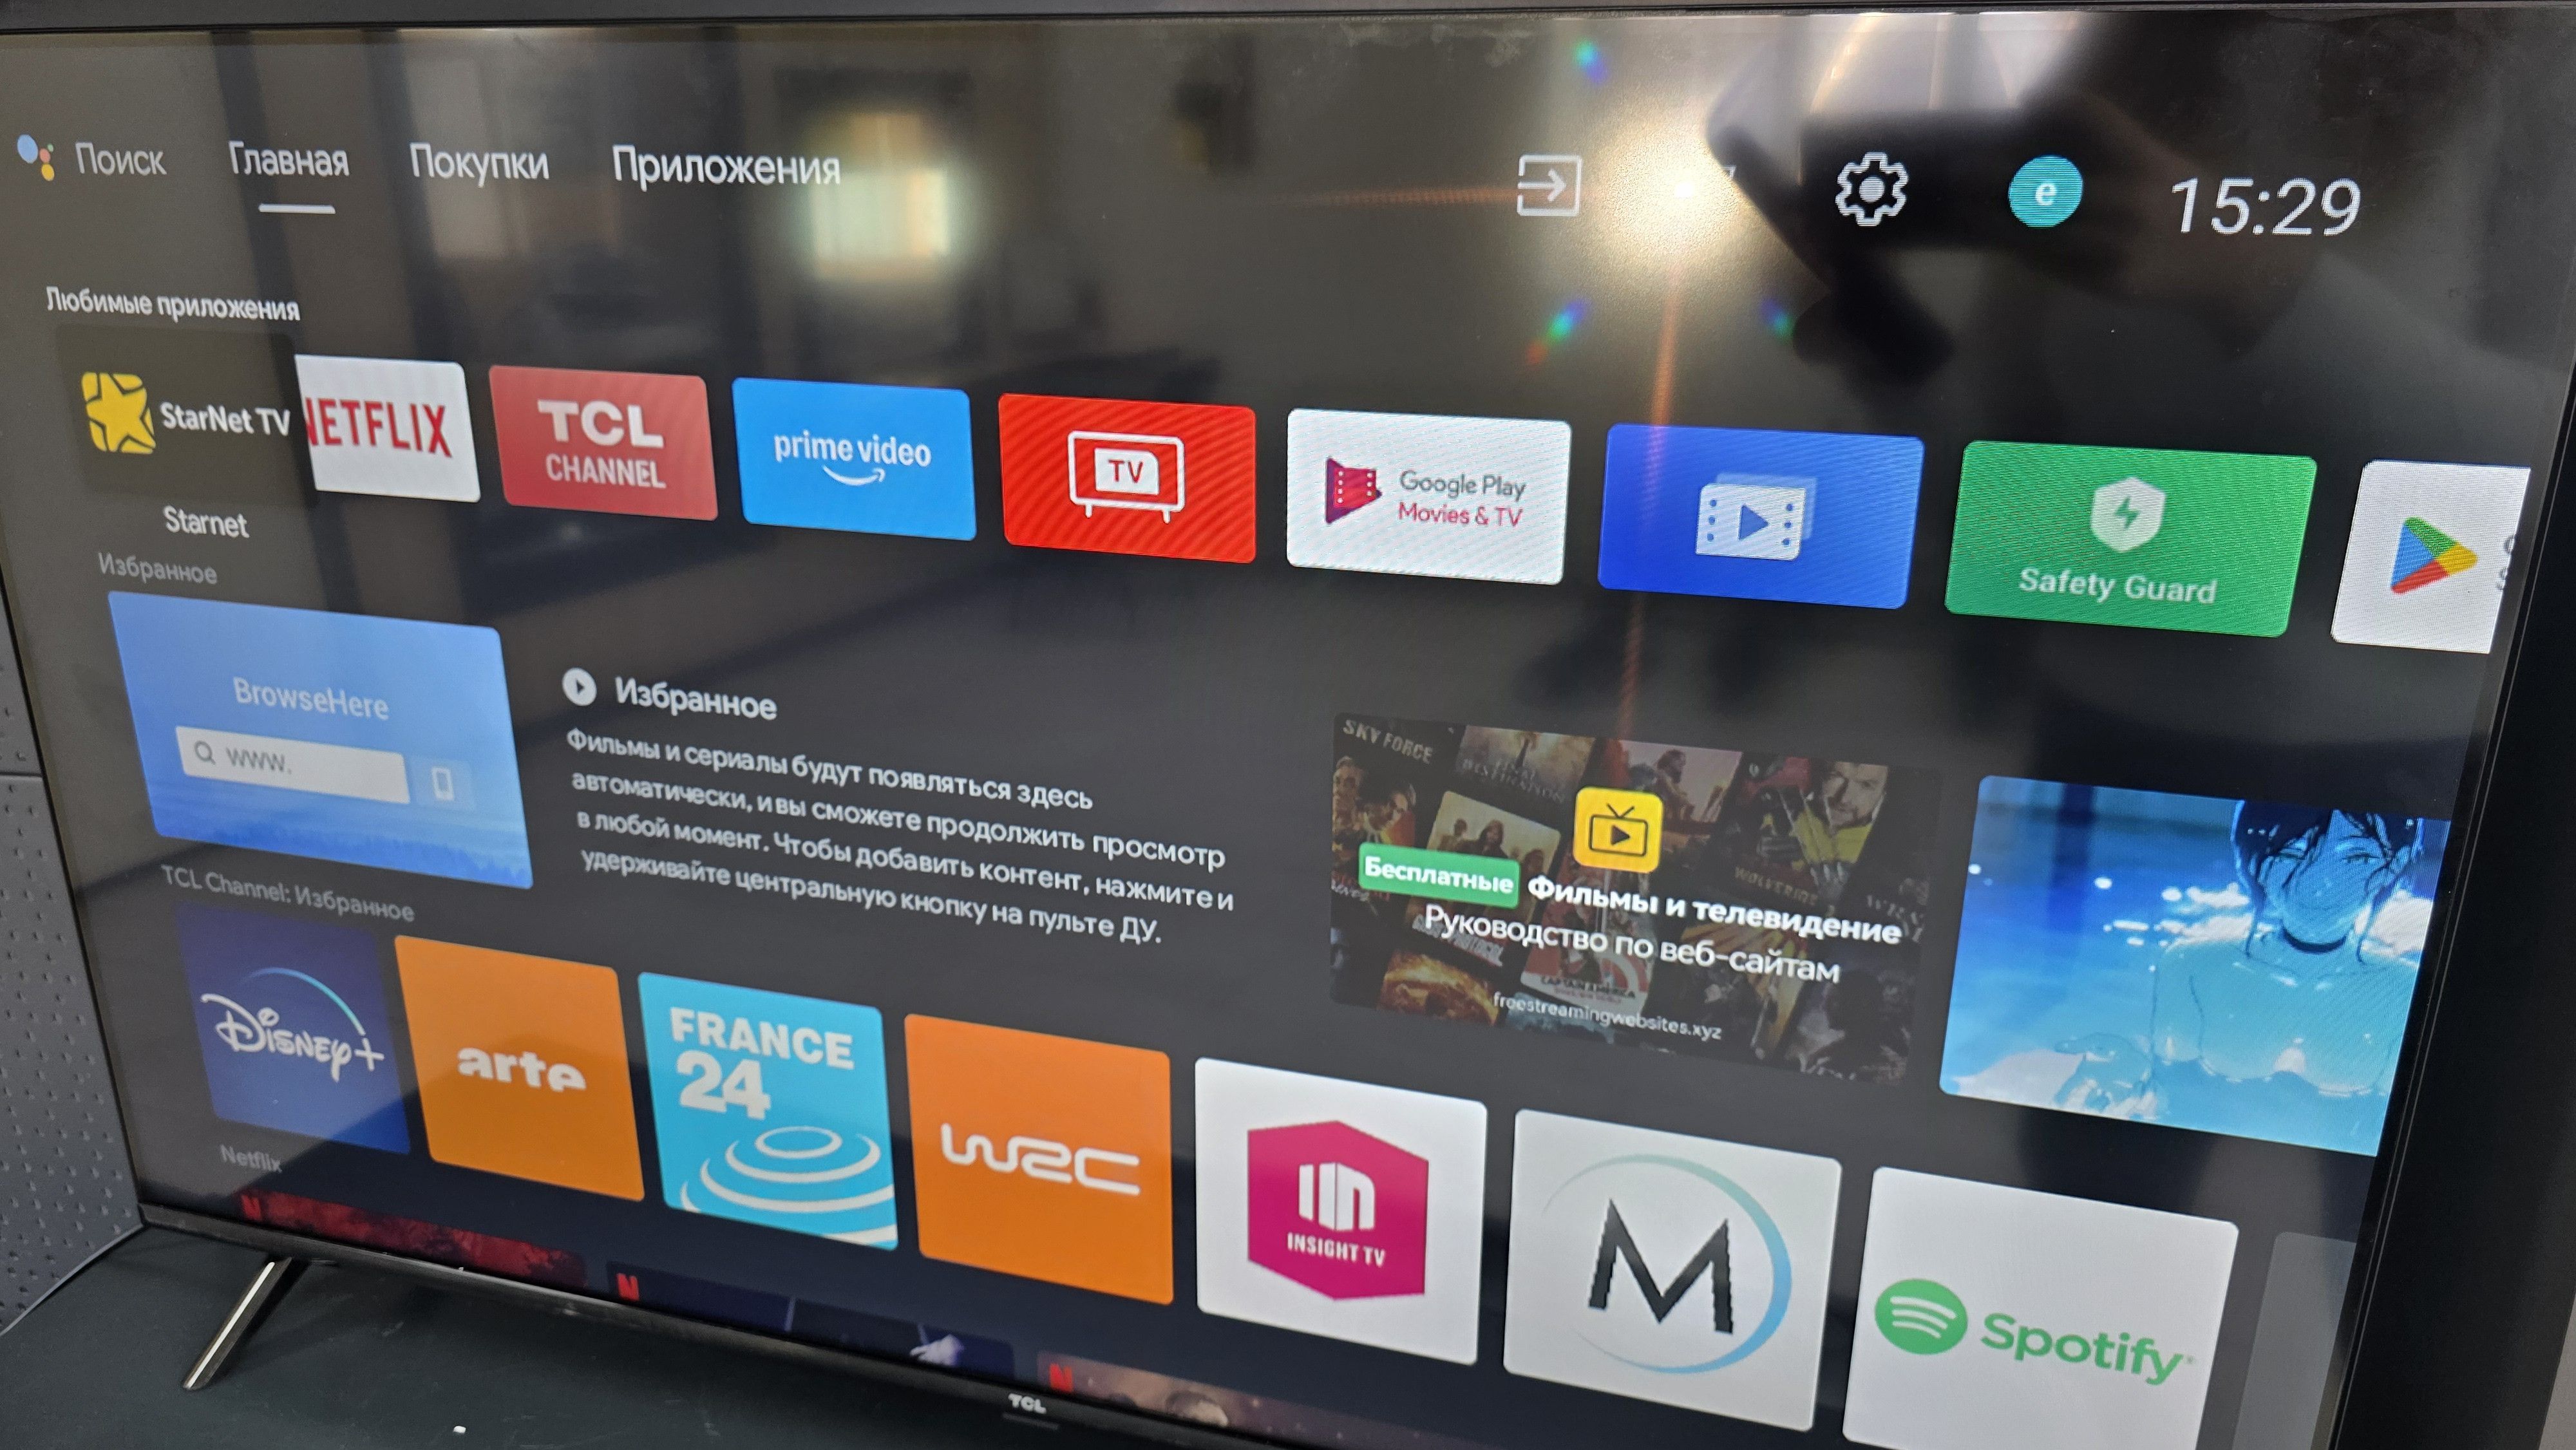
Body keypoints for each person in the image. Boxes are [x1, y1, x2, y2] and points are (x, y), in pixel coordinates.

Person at [2054, 804, 2425, 1151]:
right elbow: (2167, 1100)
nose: (2319, 883)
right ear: (2257, 865)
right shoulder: (2191, 966)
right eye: (2292, 854)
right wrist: (2133, 1078)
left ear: (2394, 865)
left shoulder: (2406, 989)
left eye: (2356, 857)